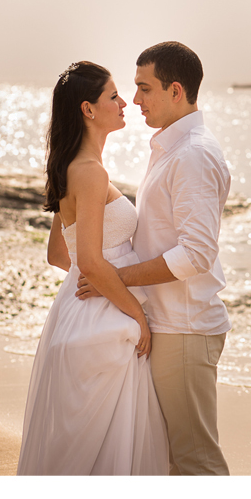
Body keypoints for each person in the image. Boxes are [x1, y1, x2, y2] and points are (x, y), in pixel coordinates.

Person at [77, 42, 232, 475]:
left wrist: (117, 277)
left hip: (184, 327)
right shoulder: (171, 148)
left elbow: (197, 254)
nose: (136, 100)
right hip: (167, 324)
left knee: (195, 463)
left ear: (176, 91)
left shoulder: (193, 155)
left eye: (145, 89)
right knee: (170, 461)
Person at [17, 61, 169, 475]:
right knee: (105, 453)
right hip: (103, 319)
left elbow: (58, 254)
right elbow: (85, 260)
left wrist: (98, 274)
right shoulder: (90, 173)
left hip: (79, 312)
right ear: (88, 109)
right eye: (114, 96)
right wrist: (137, 313)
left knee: (87, 451)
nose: (124, 104)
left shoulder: (73, 169)